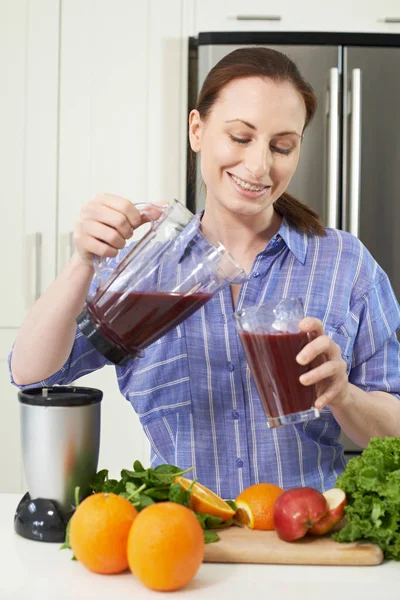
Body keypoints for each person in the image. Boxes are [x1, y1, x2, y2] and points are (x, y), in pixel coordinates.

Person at [9, 48, 400, 500]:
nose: (258, 166)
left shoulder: (344, 264)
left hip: (308, 543)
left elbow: (393, 432)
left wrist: (344, 394)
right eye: (239, 137)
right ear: (197, 130)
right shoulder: (142, 262)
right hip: (182, 543)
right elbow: (32, 374)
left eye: (281, 146)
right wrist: (82, 261)